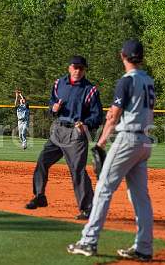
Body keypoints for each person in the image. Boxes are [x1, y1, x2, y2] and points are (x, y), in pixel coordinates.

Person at [67, 39, 155, 261]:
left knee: (104, 188)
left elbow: (113, 115)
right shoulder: (148, 80)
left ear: (122, 56)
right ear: (141, 57)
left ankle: (88, 241)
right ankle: (144, 247)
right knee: (140, 197)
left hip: (128, 139)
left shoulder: (127, 81)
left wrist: (101, 142)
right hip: (145, 141)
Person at [25, 55, 103, 220]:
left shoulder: (90, 90)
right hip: (58, 130)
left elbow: (97, 116)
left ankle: (88, 208)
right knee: (42, 161)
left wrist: (86, 124)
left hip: (76, 134)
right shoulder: (58, 84)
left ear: (85, 70)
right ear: (69, 68)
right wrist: (53, 108)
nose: (77, 70)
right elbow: (51, 106)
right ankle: (40, 196)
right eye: (75, 67)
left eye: (81, 68)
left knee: (77, 170)